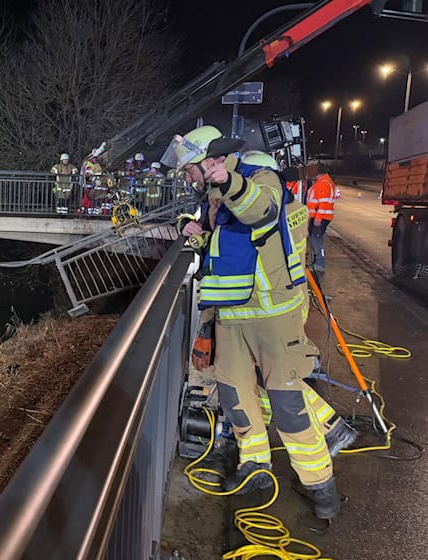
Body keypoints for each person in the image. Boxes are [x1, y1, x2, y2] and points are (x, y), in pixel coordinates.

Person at [164, 126, 340, 520]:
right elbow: (218, 243)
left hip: (273, 315)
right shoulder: (211, 196)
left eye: (189, 169)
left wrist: (229, 183)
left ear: (210, 161)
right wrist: (189, 229)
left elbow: (261, 209)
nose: (186, 177)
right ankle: (255, 468)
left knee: (288, 404)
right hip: (231, 317)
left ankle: (320, 487)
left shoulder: (260, 179)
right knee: (237, 400)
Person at [307, 169, 337, 274]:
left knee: (316, 240)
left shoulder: (324, 184)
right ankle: (318, 262)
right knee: (315, 240)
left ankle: (320, 264)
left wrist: (317, 219)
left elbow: (323, 203)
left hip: (320, 218)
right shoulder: (324, 182)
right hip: (320, 217)